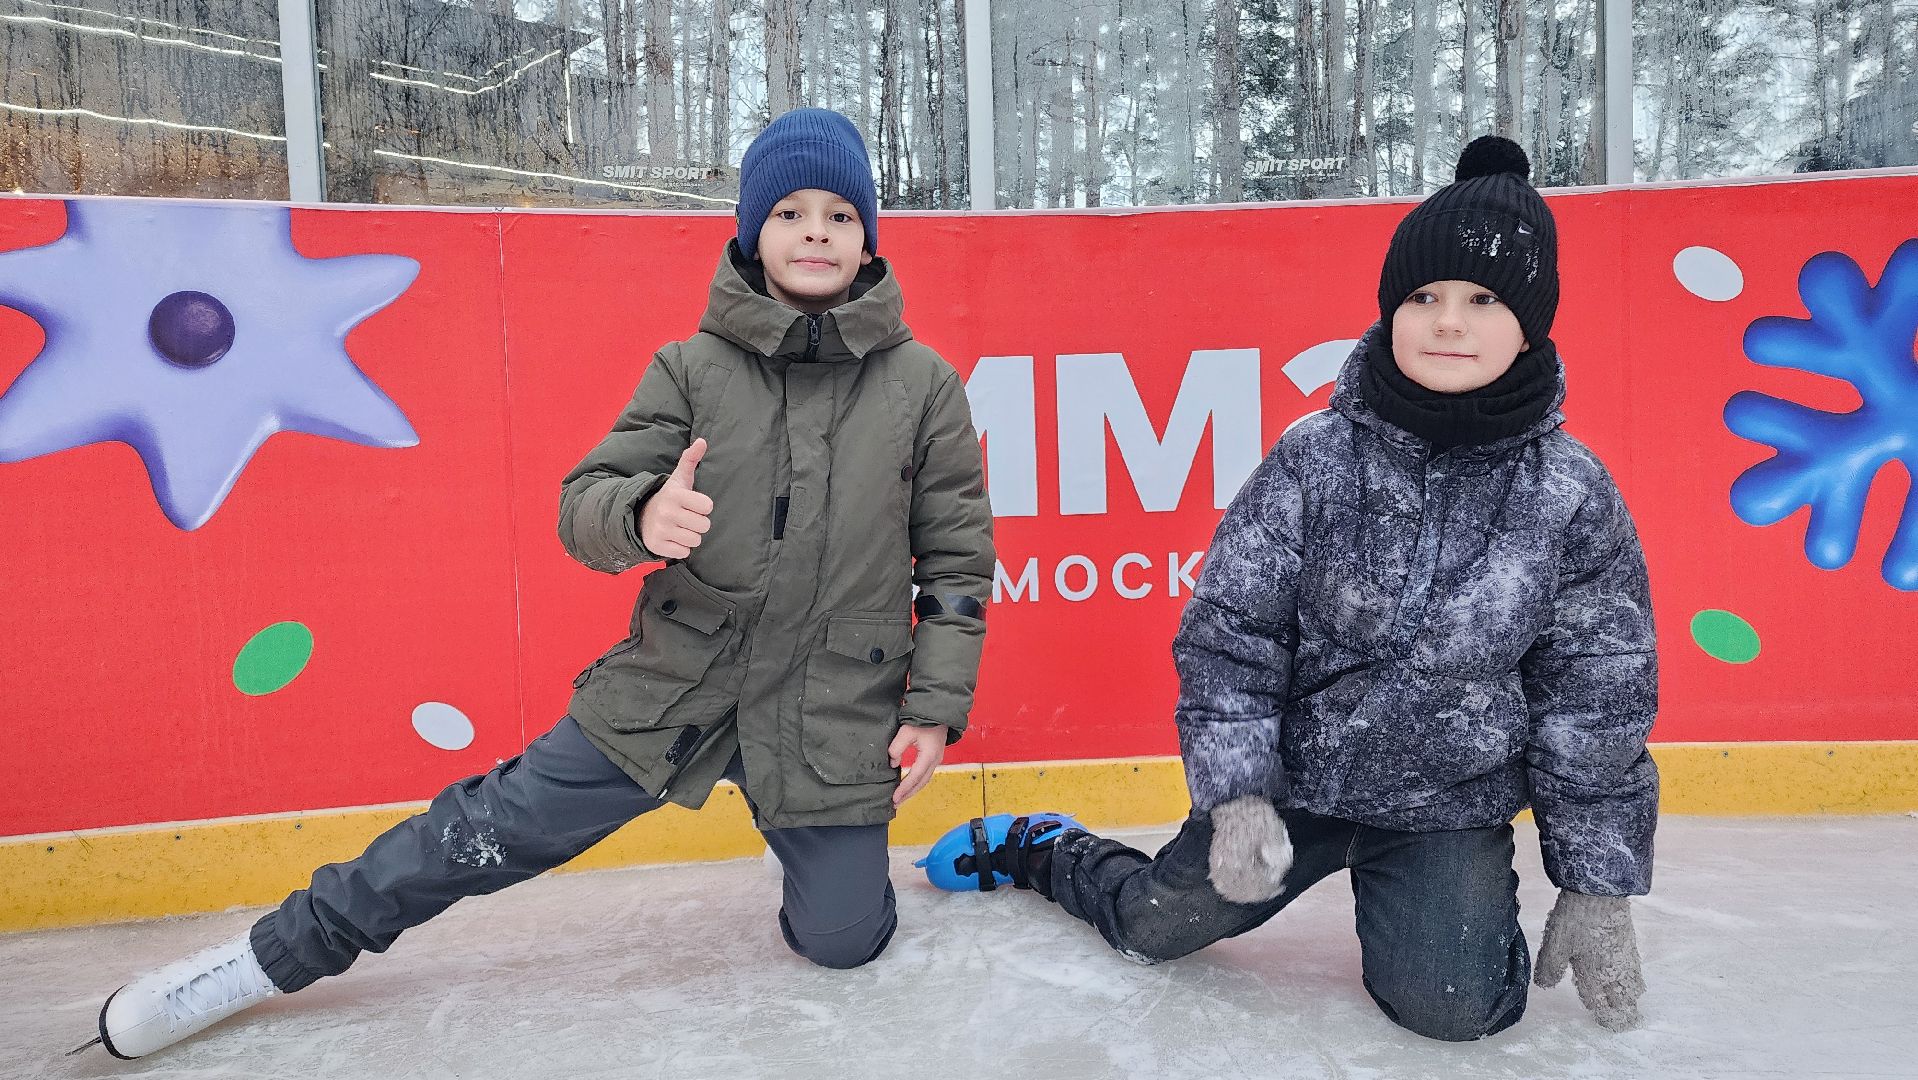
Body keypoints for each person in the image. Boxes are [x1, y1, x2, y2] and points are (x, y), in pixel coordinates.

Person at [89, 106, 994, 1060]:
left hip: (828, 707)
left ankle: (816, 854)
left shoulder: (923, 385)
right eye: (791, 213)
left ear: (868, 240)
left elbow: (956, 561)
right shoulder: (691, 369)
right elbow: (583, 505)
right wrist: (640, 517)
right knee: (486, 829)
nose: (816, 233)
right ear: (751, 232)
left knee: (844, 942)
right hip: (677, 685)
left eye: (841, 215)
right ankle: (269, 955)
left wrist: (933, 709)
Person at [952, 136, 1658, 1041]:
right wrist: (1240, 797)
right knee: (1150, 930)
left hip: (1445, 804)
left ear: (1530, 325)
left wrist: (1597, 883)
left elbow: (1598, 692)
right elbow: (1231, 635)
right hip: (1293, 785)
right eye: (1424, 297)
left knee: (1458, 1010)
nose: (1448, 322)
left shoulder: (1570, 491)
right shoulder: (1315, 459)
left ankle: (1452, 917)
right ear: (1391, 311)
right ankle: (1050, 848)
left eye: (1483, 300)